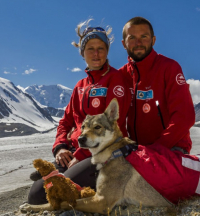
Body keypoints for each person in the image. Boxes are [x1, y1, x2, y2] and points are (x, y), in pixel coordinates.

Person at [28, 19, 131, 205]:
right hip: (76, 151)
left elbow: (113, 125)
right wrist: (60, 147)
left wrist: (82, 154)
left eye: (101, 48)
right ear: (82, 52)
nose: (96, 53)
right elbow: (65, 122)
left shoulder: (115, 79)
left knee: (48, 193)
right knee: (36, 194)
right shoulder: (80, 87)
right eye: (90, 48)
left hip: (102, 153)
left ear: (107, 51)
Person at [119, 16, 195, 154]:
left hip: (171, 148)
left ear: (153, 40)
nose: (138, 42)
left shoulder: (169, 68)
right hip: (137, 151)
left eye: (144, 36)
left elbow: (184, 116)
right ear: (124, 44)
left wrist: (158, 147)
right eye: (132, 38)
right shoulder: (121, 76)